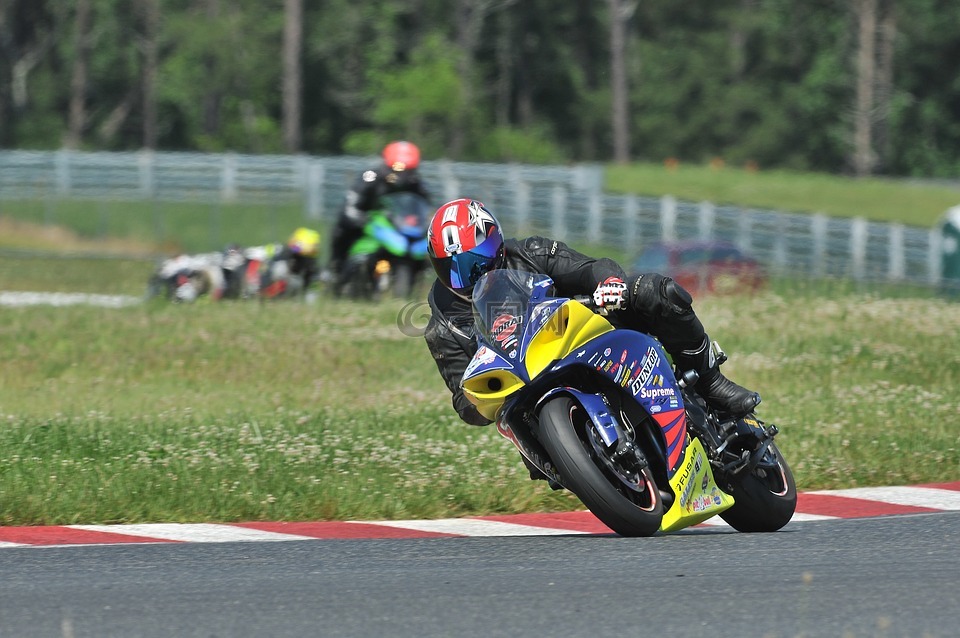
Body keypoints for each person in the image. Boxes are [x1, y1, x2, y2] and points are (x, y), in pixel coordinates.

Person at [423, 198, 761, 436]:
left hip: (581, 335)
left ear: (495, 241)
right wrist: (478, 397)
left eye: (476, 260)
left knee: (654, 291)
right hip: (526, 391)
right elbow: (461, 397)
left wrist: (610, 285)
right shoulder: (443, 323)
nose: (469, 275)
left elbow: (591, 268)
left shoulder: (530, 253)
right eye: (452, 269)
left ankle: (709, 380)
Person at [325, 141, 431, 282]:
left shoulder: (416, 184)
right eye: (399, 168)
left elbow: (424, 207)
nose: (403, 174)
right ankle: (335, 268)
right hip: (366, 224)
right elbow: (351, 203)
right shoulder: (370, 178)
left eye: (409, 170)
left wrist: (425, 222)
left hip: (398, 228)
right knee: (341, 230)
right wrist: (359, 217)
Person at [246, 227, 322, 299]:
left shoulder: (312, 274)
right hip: (258, 285)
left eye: (306, 257)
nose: (300, 261)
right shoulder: (279, 251)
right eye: (296, 251)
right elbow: (253, 252)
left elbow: (312, 298)